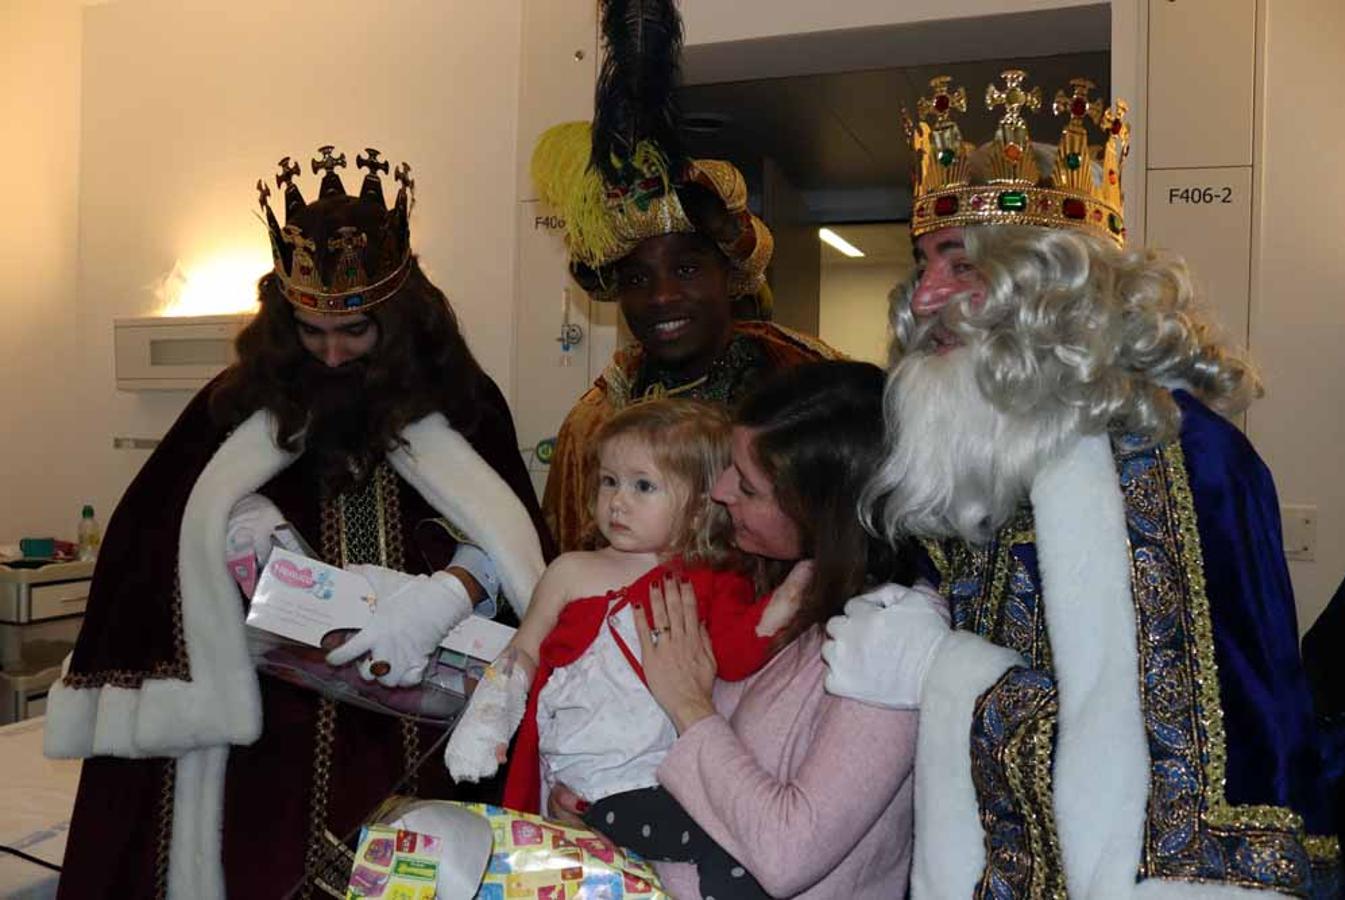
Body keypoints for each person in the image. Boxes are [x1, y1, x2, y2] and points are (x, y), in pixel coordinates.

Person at [823, 71, 1344, 896]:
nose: (923, 298)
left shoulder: (1172, 454)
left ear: (1048, 281)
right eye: (921, 265)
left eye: (959, 265)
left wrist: (936, 668)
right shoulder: (984, 463)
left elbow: (1199, 764)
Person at [43, 146, 551, 899]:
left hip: (413, 716)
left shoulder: (466, 404)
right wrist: (219, 535)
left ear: (402, 319)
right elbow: (144, 546)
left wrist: (453, 585)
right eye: (312, 334)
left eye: (356, 332)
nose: (334, 352)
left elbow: (517, 546)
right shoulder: (232, 406)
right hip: (269, 734)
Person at [546, 361, 930, 899]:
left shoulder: (891, 640)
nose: (721, 491)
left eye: (748, 486)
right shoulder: (768, 579)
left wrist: (688, 705)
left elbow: (786, 851)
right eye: (728, 467)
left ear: (821, 509)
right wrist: (598, 814)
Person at [448, 399, 798, 898]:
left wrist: (783, 604)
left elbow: (739, 656)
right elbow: (521, 653)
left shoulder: (716, 579)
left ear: (701, 502)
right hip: (581, 771)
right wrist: (487, 719)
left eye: (643, 486)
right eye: (608, 481)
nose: (617, 501)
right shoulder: (570, 570)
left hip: (661, 775)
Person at [533, 0, 837, 553]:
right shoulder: (595, 421)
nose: (662, 296)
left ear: (730, 273)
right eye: (636, 279)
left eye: (688, 268)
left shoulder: (804, 386)